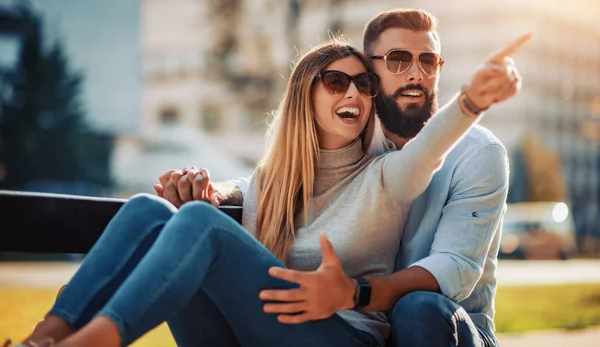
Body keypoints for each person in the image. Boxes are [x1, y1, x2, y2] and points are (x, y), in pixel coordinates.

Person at [15, 30, 525, 347]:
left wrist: (470, 102)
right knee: (150, 210)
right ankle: (45, 338)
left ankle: (97, 341)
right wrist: (206, 190)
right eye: (335, 81)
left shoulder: (386, 176)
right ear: (306, 95)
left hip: (342, 337)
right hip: (262, 332)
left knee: (197, 224)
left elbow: (430, 148)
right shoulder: (268, 184)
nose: (354, 92)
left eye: (364, 85)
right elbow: (228, 200)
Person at [159, 9, 524, 347]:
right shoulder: (356, 137)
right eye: (398, 59)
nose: (416, 73)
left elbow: (455, 271)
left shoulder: (479, 152)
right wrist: (216, 192)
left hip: (449, 327)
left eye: (428, 61)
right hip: (360, 321)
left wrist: (355, 292)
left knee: (418, 309)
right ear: (371, 74)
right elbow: (284, 177)